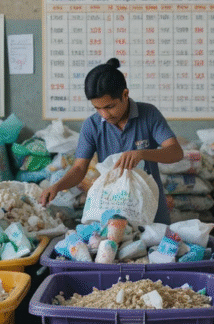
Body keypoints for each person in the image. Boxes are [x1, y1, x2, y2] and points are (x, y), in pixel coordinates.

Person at [38, 58, 183, 223]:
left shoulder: (148, 114)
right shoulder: (91, 126)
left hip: (149, 206)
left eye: (109, 107)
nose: (104, 115)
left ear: (125, 94)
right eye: (97, 108)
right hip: (111, 207)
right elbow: (79, 168)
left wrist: (142, 154)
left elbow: (176, 152)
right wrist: (57, 186)